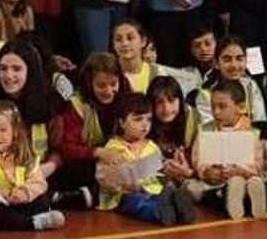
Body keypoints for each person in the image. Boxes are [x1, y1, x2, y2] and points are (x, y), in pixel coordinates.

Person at [0, 100, 65, 233]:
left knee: (43, 201)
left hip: (18, 203)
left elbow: (38, 183)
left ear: (15, 132)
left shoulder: (24, 158)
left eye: (3, 130)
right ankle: (31, 223)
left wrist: (23, 193)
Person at [96, 93, 195, 225]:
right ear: (122, 123)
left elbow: (159, 175)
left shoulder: (152, 146)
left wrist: (168, 171)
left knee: (162, 195)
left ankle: (180, 210)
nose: (145, 125)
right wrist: (125, 180)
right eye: (138, 119)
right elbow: (105, 179)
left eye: (149, 120)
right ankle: (159, 212)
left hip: (154, 191)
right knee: (138, 202)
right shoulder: (113, 148)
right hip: (124, 196)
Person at [55, 52, 130, 205]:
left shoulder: (127, 97)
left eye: (113, 84)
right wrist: (99, 153)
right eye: (101, 85)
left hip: (122, 159)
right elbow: (67, 149)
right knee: (76, 170)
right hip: (90, 164)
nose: (109, 91)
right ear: (89, 83)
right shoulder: (77, 105)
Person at [0, 39, 65, 182]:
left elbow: (59, 150)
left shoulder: (50, 103)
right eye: (3, 69)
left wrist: (47, 168)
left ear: (31, 71)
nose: (9, 75)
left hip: (40, 175)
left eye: (16, 69)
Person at [188, 80, 265, 220]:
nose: (216, 112)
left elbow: (258, 162)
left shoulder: (251, 132)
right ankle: (235, 200)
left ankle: (244, 197)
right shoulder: (205, 130)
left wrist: (240, 171)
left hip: (242, 177)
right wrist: (206, 171)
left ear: (240, 107)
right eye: (213, 107)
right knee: (191, 188)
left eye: (222, 107)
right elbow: (197, 157)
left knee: (251, 182)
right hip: (213, 182)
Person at [195, 36, 267, 127]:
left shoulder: (251, 86)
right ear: (216, 63)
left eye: (239, 59)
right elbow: (208, 128)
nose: (234, 65)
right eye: (227, 60)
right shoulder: (205, 94)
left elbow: (259, 123)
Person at [147, 76, 199, 183]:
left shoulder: (193, 120)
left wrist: (188, 172)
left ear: (180, 100)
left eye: (171, 100)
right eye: (159, 102)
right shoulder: (143, 122)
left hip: (188, 181)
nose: (166, 108)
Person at [111, 18, 159, 95]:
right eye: (118, 39)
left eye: (130, 38)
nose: (124, 43)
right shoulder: (107, 72)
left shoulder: (157, 73)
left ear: (143, 41)